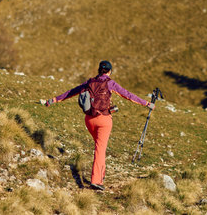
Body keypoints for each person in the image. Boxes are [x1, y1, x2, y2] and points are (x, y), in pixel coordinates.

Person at [41, 60, 155, 191]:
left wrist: (52, 100)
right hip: (104, 120)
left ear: (99, 70)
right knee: (100, 149)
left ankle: (101, 174)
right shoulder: (110, 83)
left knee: (99, 147)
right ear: (110, 71)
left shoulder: (90, 82)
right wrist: (147, 103)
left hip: (89, 120)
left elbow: (71, 92)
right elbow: (128, 95)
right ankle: (96, 181)